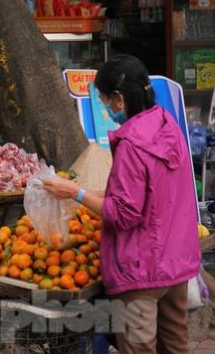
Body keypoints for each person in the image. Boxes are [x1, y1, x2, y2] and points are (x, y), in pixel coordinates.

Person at [42, 54, 201, 353]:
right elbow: (155, 191)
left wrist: (75, 193)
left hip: (142, 269)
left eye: (103, 100)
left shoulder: (131, 144)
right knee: (175, 347)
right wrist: (98, 192)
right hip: (177, 261)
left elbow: (123, 214)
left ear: (118, 99)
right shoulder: (168, 126)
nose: (103, 107)